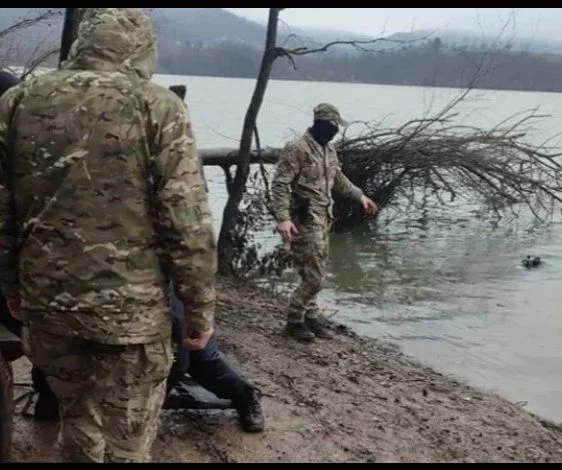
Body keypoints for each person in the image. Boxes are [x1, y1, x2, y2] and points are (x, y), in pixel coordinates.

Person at [0, 8, 217, 463]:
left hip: (49, 307)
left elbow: (3, 211)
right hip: (130, 318)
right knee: (128, 439)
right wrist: (199, 307)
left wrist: (11, 288)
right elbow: (187, 220)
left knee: (76, 419)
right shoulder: (158, 106)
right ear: (140, 50)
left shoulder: (18, 101)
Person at [25, 285, 265, 433]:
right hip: (103, 317)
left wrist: (148, 405)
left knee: (204, 362)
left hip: (169, 318)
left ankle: (246, 397)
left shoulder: (153, 299)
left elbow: (176, 365)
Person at [270, 103, 378, 342]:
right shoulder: (297, 149)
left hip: (323, 217)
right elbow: (280, 184)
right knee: (315, 277)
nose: (336, 130)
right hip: (305, 219)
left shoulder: (329, 150)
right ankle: (294, 320)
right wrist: (283, 219)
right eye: (333, 126)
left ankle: (311, 317)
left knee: (316, 268)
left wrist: (359, 195)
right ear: (323, 124)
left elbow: (338, 178)